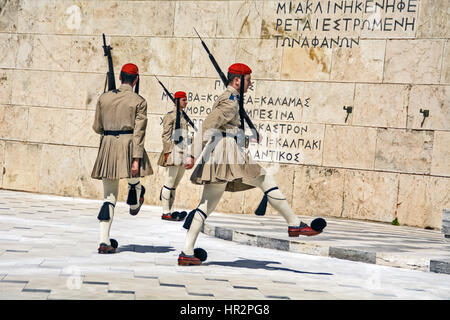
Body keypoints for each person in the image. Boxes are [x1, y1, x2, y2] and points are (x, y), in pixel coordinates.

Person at [179, 63, 326, 266]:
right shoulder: (230, 102)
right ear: (237, 80)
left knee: (206, 205)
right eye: (248, 80)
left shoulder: (232, 99)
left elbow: (226, 128)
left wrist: (248, 138)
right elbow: (209, 125)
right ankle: (294, 224)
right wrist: (192, 154)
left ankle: (187, 252)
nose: (250, 84)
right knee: (265, 178)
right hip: (226, 152)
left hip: (221, 151)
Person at [91, 63, 153, 254]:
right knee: (134, 178)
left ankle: (103, 241)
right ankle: (135, 199)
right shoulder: (139, 101)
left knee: (109, 197)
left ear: (119, 77)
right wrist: (136, 158)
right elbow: (139, 133)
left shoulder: (104, 98)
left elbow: (96, 127)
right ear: (136, 80)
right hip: (128, 143)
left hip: (108, 144)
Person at [157, 91, 191, 221]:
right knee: (169, 183)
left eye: (186, 100)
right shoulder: (170, 116)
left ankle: (170, 210)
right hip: (173, 152)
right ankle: (165, 211)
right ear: (177, 101)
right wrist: (167, 153)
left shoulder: (183, 116)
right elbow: (166, 136)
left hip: (182, 153)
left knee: (175, 184)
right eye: (184, 100)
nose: (186, 102)